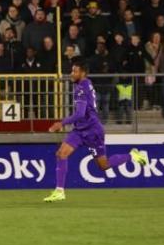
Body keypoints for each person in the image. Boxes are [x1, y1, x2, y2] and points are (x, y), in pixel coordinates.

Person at [44, 61, 148, 202]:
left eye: (75, 71)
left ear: (83, 73)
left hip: (93, 132)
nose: (71, 73)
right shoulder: (85, 84)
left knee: (103, 165)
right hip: (80, 130)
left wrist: (61, 123)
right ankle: (59, 191)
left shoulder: (81, 87)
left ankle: (132, 156)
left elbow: (80, 114)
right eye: (72, 70)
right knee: (61, 153)